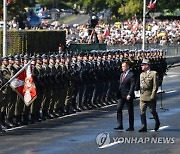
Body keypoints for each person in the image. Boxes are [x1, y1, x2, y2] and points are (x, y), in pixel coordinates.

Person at [139, 59, 160, 132]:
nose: (141, 66)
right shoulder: (142, 74)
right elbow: (141, 85)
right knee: (142, 111)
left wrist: (153, 95)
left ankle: (157, 122)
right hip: (142, 96)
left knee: (152, 111)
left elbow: (155, 86)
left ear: (147, 66)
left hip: (150, 96)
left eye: (143, 65)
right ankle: (143, 126)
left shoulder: (154, 73)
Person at [114, 61, 135, 131]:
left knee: (130, 111)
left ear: (127, 67)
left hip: (128, 95)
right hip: (121, 95)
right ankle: (120, 124)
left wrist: (130, 94)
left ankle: (131, 126)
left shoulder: (131, 74)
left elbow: (132, 85)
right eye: (122, 66)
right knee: (119, 108)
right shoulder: (122, 74)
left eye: (123, 66)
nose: (122, 68)